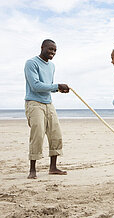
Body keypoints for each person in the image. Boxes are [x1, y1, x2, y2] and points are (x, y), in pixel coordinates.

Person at [24, 39, 69, 179]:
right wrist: (57, 86)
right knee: (37, 135)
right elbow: (36, 86)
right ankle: (32, 170)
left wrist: (59, 90)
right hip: (34, 103)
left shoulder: (52, 66)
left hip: (49, 103)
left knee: (56, 134)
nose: (52, 52)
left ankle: (53, 167)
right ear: (42, 47)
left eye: (55, 50)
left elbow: (47, 86)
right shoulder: (31, 63)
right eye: (50, 49)